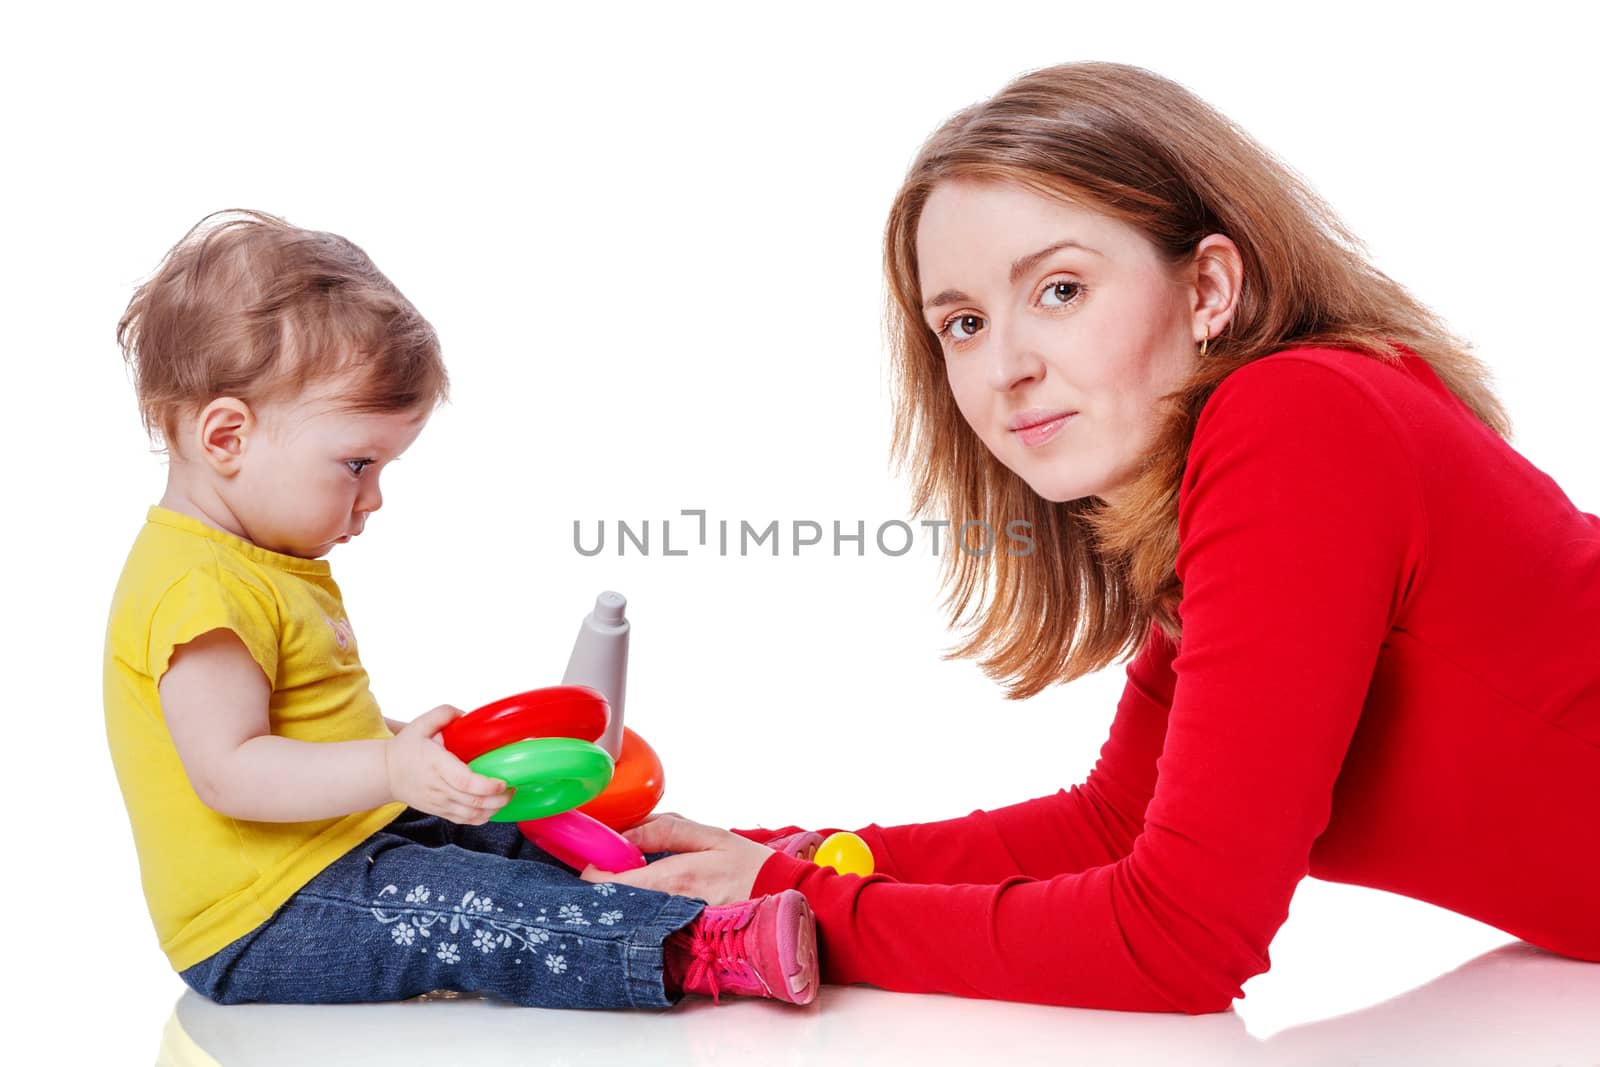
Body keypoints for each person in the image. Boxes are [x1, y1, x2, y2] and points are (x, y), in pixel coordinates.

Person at [577, 61, 1600, 1013]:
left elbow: (1179, 937)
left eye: (1058, 290)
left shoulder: (1297, 423)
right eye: (963, 323)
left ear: (1207, 288)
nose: (1004, 365)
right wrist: (761, 855)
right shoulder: (1239, 470)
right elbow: (1116, 822)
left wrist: (794, 901)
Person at [103, 210, 818, 1009]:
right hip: (264, 915)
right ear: (228, 436)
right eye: (357, 463)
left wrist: (425, 757)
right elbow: (231, 771)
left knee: (522, 825)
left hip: (347, 843)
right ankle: (698, 945)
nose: (372, 498)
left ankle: (730, 867)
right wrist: (389, 766)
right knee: (479, 908)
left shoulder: (262, 560)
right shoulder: (195, 585)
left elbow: (314, 733)